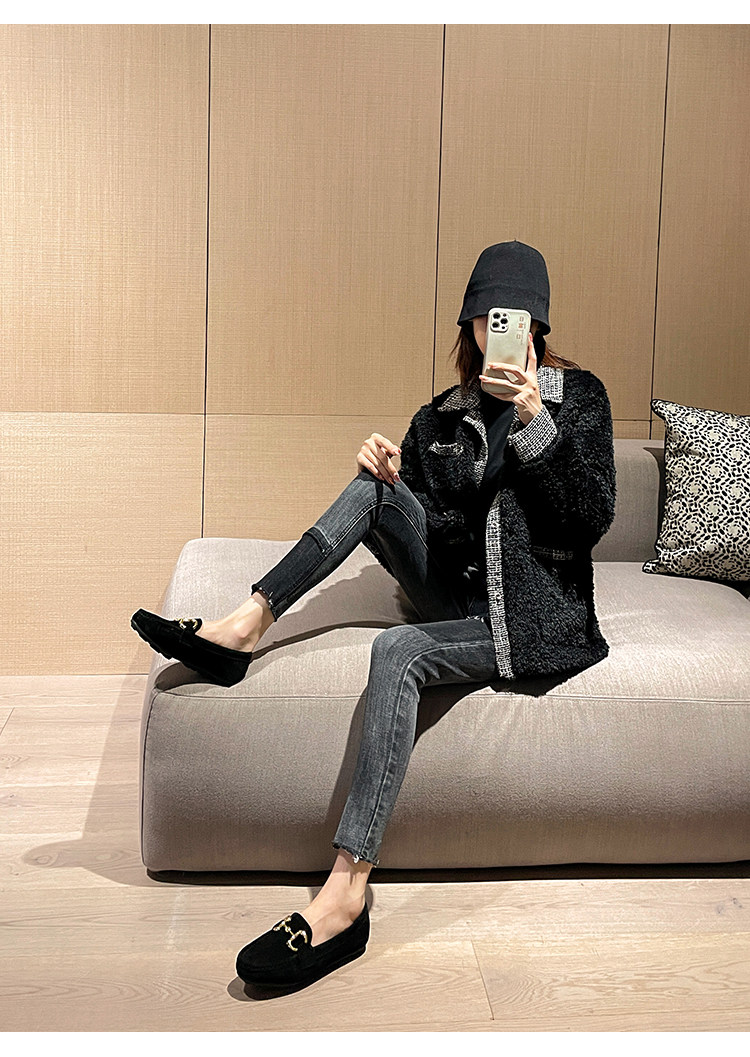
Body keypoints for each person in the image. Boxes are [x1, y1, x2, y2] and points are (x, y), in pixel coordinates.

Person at [131, 239, 617, 992]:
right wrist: (393, 477)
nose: (499, 329)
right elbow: (441, 530)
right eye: (487, 316)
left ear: (538, 327)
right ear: (469, 324)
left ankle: (346, 891)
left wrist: (533, 423)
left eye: (515, 317)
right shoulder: (442, 414)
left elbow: (587, 519)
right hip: (456, 591)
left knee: (398, 651)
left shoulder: (576, 398)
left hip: (525, 615)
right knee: (370, 489)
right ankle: (245, 626)